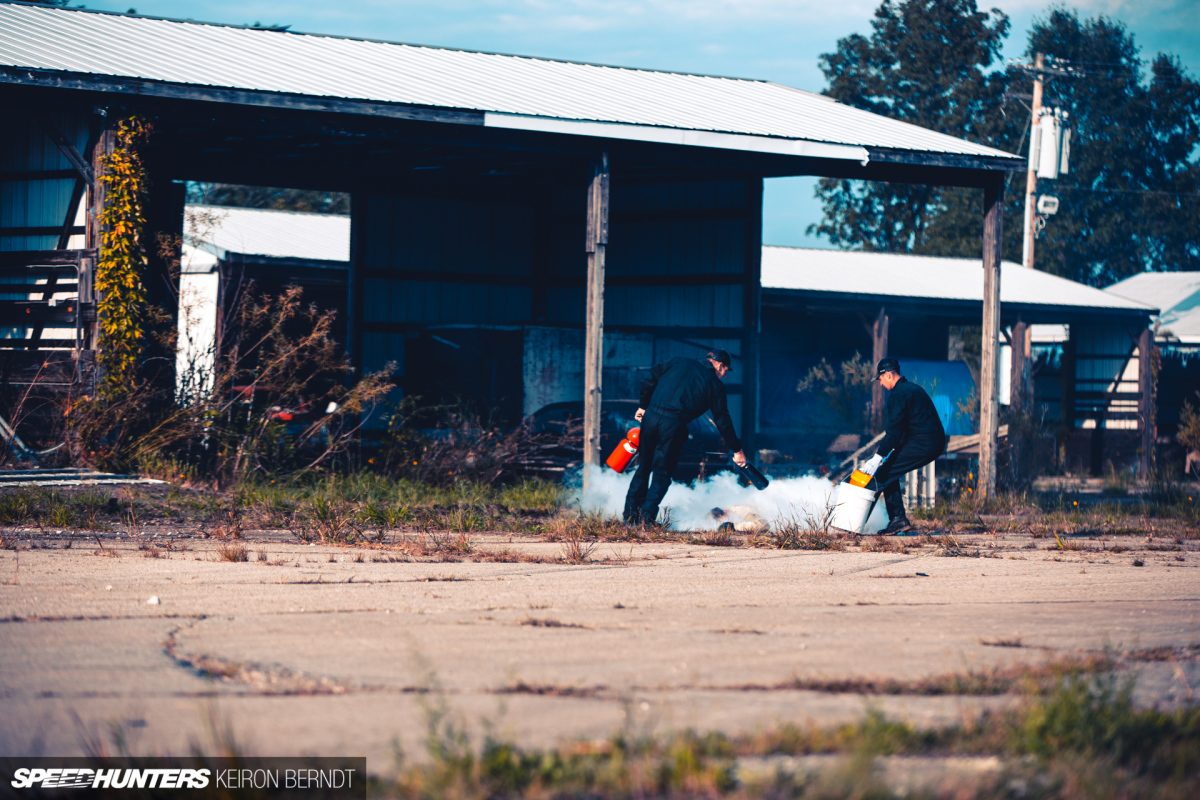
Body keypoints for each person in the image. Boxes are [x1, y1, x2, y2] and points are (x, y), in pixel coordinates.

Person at [623, 350, 747, 525]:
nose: (725, 375)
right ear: (719, 365)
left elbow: (648, 379)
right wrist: (737, 449)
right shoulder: (714, 384)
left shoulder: (677, 360)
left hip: (650, 418)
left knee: (643, 467)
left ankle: (629, 518)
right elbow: (722, 420)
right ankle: (646, 519)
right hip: (672, 425)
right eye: (726, 370)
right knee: (662, 473)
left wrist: (643, 406)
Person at [861, 358, 946, 535]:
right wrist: (886, 455)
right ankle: (897, 519)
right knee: (888, 471)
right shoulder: (912, 389)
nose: (881, 383)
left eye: (880, 379)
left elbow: (894, 431)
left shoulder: (898, 395)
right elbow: (904, 431)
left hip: (924, 442)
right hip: (930, 441)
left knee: (884, 473)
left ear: (889, 375)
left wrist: (878, 457)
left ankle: (896, 520)